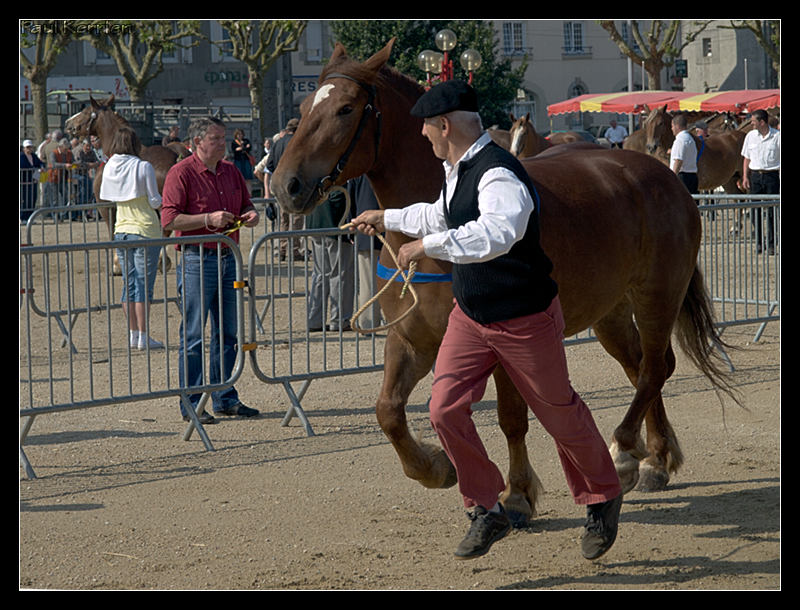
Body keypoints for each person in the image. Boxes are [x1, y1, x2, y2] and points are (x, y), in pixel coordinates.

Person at [350, 80, 622, 561]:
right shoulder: (456, 169)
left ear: (445, 125)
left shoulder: (498, 173)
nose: (423, 138)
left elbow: (499, 232)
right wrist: (387, 217)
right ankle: (485, 507)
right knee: (444, 409)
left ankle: (602, 495)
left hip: (523, 318)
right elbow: (440, 214)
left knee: (560, 414)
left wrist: (426, 247)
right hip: (471, 317)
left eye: (427, 130)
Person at [161, 116, 261, 425]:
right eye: (217, 138)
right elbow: (169, 221)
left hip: (228, 259)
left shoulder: (231, 172)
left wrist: (252, 214)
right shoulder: (181, 173)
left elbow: (248, 204)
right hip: (195, 260)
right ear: (198, 142)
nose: (223, 143)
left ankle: (224, 397)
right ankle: (192, 402)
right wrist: (208, 220)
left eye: (223, 137)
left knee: (228, 333)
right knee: (193, 334)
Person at [99, 127, 165, 351]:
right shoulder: (142, 166)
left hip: (121, 228)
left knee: (129, 285)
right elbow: (155, 200)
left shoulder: (109, 166)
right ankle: (143, 336)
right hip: (145, 227)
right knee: (143, 286)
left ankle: (133, 334)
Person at [306, 188, 355, 332]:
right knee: (339, 273)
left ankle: (315, 319)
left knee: (321, 274)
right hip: (335, 224)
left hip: (316, 223)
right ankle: (340, 319)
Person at [741, 109, 780, 254]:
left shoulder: (777, 137)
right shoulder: (750, 137)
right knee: (754, 210)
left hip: (771, 176)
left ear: (761, 122)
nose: (751, 124)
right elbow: (746, 158)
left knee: (772, 212)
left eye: (753, 122)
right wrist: (745, 176)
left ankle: (771, 244)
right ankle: (758, 242)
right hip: (755, 176)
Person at [266, 118, 305, 260]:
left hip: (280, 187)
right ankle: (293, 251)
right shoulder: (298, 142)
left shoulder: (277, 143)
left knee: (283, 220)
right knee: (296, 220)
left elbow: (269, 165)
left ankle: (282, 250)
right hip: (295, 186)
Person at [347, 175, 383, 328]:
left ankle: (368, 323)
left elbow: (351, 201)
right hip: (384, 229)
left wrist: (351, 226)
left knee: (368, 283)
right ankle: (372, 322)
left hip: (365, 232)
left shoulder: (359, 174)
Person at [669, 113, 698, 194]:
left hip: (682, 177)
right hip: (692, 176)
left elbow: (678, 160)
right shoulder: (690, 139)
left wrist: (672, 178)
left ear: (677, 126)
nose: (671, 129)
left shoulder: (680, 140)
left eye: (672, 126)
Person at [47, 138, 74, 214]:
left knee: (65, 196)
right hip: (53, 177)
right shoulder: (53, 153)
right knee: (55, 198)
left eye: (67, 149)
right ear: (60, 147)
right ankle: (55, 215)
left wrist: (77, 164)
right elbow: (53, 164)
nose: (66, 151)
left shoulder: (69, 153)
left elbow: (73, 161)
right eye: (65, 149)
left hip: (64, 177)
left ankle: (64, 214)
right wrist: (65, 165)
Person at [20, 139, 45, 222]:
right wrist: (35, 169)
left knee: (32, 199)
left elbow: (40, 162)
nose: (29, 149)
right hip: (24, 181)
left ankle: (30, 217)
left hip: (33, 181)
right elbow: (23, 166)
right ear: (24, 148)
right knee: (25, 200)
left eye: (30, 147)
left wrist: (41, 166)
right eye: (27, 147)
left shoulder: (33, 156)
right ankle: (23, 217)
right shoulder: (21, 156)